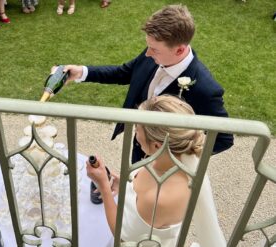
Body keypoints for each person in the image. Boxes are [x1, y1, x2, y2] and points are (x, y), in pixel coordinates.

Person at [60, 4, 234, 162]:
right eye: (148, 46)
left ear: (179, 49)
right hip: (139, 148)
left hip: (167, 166)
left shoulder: (205, 89)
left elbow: (224, 139)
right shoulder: (154, 53)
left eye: (155, 49)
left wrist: (177, 154)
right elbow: (124, 73)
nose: (148, 54)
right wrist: (82, 72)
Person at [86, 95, 226, 246]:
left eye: (137, 129)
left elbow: (122, 236)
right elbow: (140, 195)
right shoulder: (166, 160)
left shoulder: (160, 198)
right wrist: (123, 184)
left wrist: (104, 187)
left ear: (157, 146)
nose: (135, 134)